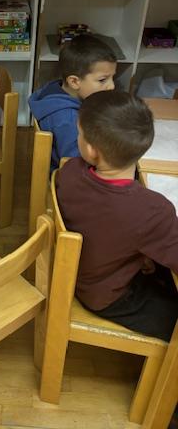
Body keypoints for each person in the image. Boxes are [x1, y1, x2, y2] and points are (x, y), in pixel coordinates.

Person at [56, 90, 178, 343]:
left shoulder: (70, 172)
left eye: (79, 134)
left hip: (82, 271)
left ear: (92, 150)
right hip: (104, 294)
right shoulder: (153, 211)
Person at [29, 34, 117, 171]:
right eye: (102, 80)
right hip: (66, 174)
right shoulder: (68, 119)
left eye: (112, 78)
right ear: (74, 82)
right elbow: (74, 164)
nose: (111, 86)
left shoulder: (55, 90)